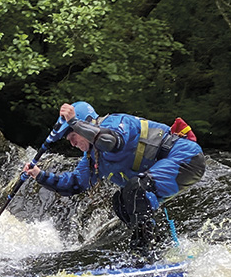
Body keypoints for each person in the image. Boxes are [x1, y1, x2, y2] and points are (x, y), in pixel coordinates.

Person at [23, 101, 206, 257]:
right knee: (120, 201)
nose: (72, 143)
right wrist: (40, 175)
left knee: (136, 189)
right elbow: (74, 184)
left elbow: (111, 142)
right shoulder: (93, 158)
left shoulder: (117, 122)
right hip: (161, 173)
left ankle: (142, 253)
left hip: (187, 158)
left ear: (86, 123)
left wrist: (74, 123)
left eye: (73, 136)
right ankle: (159, 250)